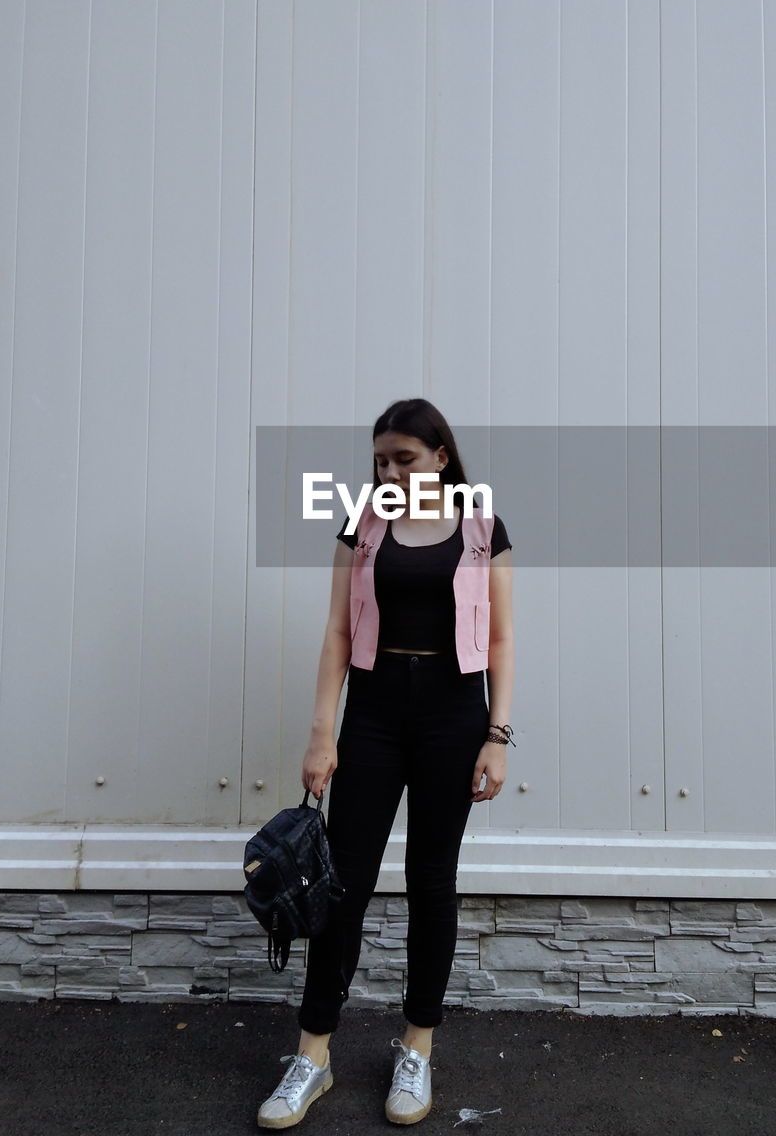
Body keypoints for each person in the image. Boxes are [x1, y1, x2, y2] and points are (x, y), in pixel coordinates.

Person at [257, 398, 514, 1130]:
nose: (390, 471)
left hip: (452, 716)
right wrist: (321, 734)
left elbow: (500, 642)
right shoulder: (363, 524)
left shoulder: (482, 527)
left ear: (440, 456)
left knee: (432, 881)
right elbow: (337, 632)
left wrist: (497, 734)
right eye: (381, 460)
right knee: (345, 884)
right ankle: (313, 1054)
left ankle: (417, 1046)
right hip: (373, 714)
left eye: (405, 458)